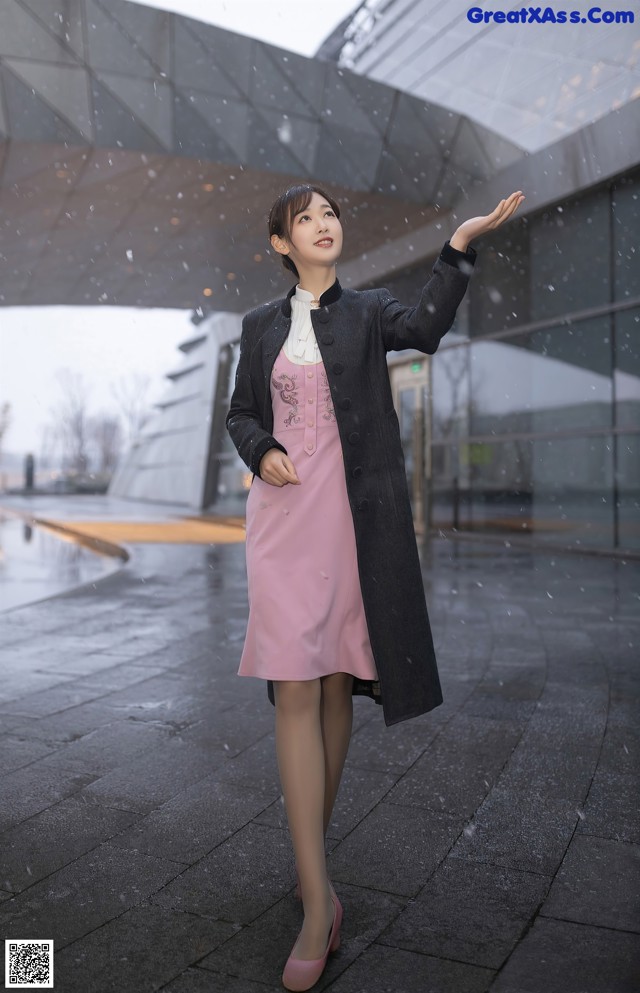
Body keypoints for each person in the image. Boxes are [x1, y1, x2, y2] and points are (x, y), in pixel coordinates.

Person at [225, 183, 525, 990]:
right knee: (294, 685)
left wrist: (458, 247)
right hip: (282, 525)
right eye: (307, 218)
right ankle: (319, 902)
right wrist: (261, 450)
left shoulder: (367, 312)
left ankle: (308, 861)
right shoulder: (255, 327)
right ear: (281, 243)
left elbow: (426, 329)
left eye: (330, 213)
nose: (326, 224)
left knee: (334, 685)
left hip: (353, 522)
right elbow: (241, 415)